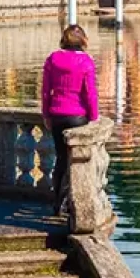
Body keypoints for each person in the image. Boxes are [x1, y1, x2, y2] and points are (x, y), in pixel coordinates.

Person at [41, 24, 99, 214]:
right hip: (77, 117)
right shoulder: (86, 62)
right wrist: (93, 117)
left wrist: (46, 114)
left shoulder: (53, 59)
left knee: (61, 159)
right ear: (83, 40)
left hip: (57, 114)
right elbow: (90, 94)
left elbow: (45, 92)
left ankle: (56, 202)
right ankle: (72, 203)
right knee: (77, 161)